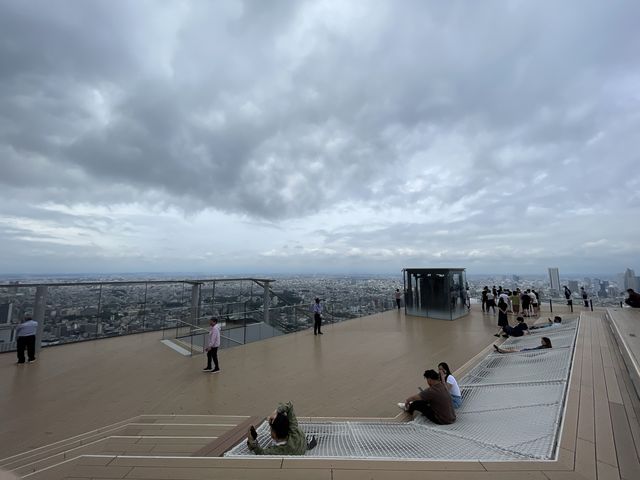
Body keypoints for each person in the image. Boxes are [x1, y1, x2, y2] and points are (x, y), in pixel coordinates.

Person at [246, 402, 316, 455]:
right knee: (291, 424)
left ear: (275, 434)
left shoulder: (280, 450)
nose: (269, 430)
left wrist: (253, 442)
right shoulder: (293, 429)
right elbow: (290, 406)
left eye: (270, 428)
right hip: (301, 441)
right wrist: (277, 411)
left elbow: (261, 452)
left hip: (299, 446)